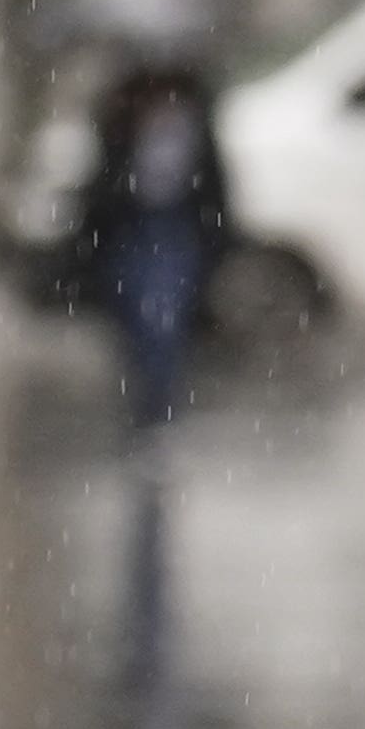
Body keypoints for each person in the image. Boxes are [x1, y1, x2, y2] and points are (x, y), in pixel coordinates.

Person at [70, 49, 237, 439]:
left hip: (175, 229)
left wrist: (219, 236)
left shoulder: (194, 112)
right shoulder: (121, 111)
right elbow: (102, 180)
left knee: (162, 323)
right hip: (129, 229)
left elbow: (213, 181)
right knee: (133, 324)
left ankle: (158, 412)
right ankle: (145, 406)